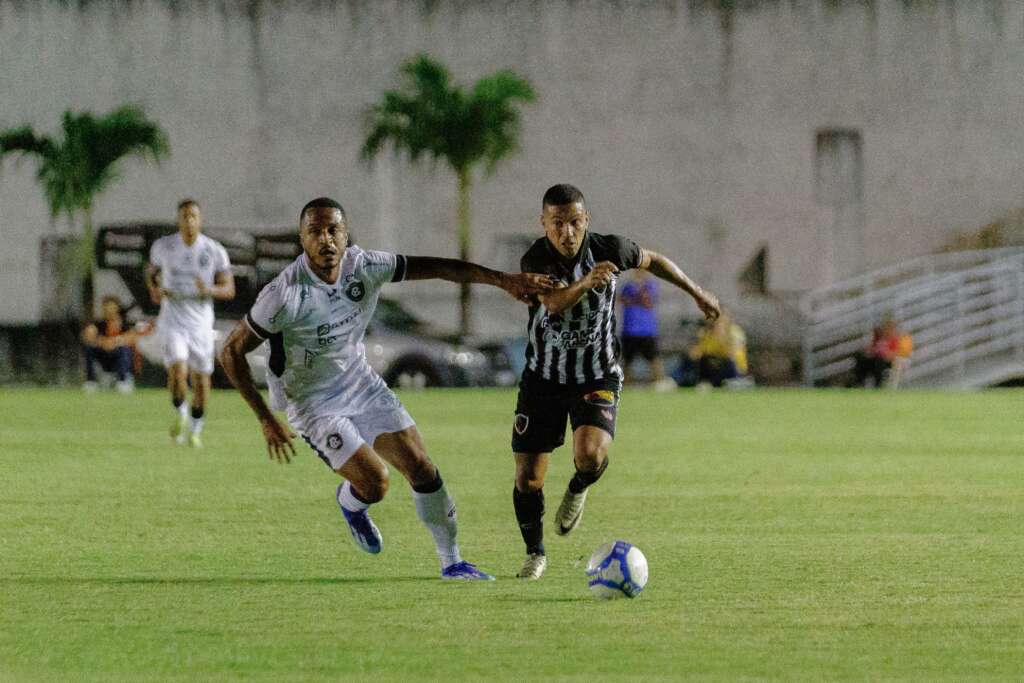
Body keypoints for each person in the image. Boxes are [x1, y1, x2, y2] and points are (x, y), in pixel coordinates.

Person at [218, 197, 554, 580]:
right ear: (302, 238)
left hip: (361, 383)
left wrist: (503, 279)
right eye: (315, 232)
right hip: (312, 403)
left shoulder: (365, 267)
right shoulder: (285, 294)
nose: (326, 240)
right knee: (376, 484)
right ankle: (352, 504)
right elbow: (230, 352)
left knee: (422, 466)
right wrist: (264, 418)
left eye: (333, 230)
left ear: (346, 235)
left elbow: (439, 267)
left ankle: (452, 562)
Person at [510, 184, 720, 580]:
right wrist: (588, 282)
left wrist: (696, 292)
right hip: (544, 378)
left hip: (597, 371)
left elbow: (653, 260)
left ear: (586, 220)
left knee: (590, 456)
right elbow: (553, 304)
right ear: (544, 224)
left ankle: (578, 487)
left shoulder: (612, 248)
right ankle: (535, 553)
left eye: (574, 222)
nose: (567, 232)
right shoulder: (534, 258)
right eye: (557, 224)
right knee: (528, 477)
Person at [146, 199, 235, 447]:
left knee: (201, 380)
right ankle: (182, 413)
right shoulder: (164, 247)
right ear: (178, 220)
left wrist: (208, 289)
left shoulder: (213, 250)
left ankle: (196, 428)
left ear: (201, 219)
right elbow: (151, 273)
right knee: (177, 371)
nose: (189, 221)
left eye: (194, 216)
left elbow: (229, 289)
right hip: (172, 319)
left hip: (200, 324)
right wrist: (154, 290)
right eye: (184, 216)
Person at [676, 311, 750, 388]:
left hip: (736, 369)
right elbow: (695, 354)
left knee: (727, 362)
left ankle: (737, 381)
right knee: (702, 360)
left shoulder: (734, 332)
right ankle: (682, 380)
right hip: (715, 368)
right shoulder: (708, 334)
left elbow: (732, 354)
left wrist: (722, 339)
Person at [81, 295, 136, 393]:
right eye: (107, 306)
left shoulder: (124, 323)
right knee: (88, 348)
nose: (109, 309)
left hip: (118, 355)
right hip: (103, 355)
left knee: (124, 349)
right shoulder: (98, 324)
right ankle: (90, 381)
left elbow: (131, 338)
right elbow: (88, 337)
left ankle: (123, 381)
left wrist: (115, 342)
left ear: (117, 308)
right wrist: (102, 342)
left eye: (112, 306)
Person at [619, 269, 664, 384]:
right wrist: (635, 298)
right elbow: (622, 299)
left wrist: (636, 294)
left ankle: (660, 382)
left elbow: (647, 301)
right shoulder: (628, 285)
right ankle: (625, 385)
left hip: (647, 330)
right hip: (629, 329)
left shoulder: (650, 285)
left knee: (654, 358)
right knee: (627, 361)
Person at [850, 318, 900, 388]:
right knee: (860, 357)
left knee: (878, 361)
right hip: (874, 360)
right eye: (886, 328)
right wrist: (869, 351)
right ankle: (858, 382)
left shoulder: (894, 341)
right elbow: (869, 350)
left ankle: (877, 386)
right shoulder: (878, 339)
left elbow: (892, 356)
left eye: (890, 328)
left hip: (884, 363)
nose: (887, 331)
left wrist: (881, 353)